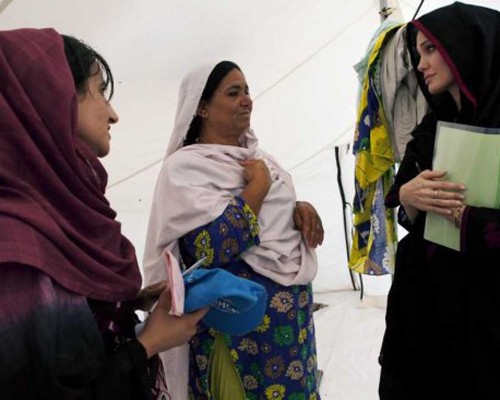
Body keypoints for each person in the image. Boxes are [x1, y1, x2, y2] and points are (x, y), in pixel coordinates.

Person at [0, 28, 206, 399]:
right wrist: (148, 344)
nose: (113, 115)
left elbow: (67, 331)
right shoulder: (16, 248)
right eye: (98, 91)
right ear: (52, 98)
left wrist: (124, 304)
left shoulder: (60, 208)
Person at [143, 61, 324, 400]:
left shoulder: (262, 161)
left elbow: (273, 219)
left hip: (291, 327)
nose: (247, 100)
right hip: (237, 337)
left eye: (247, 91)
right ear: (202, 107)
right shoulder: (186, 169)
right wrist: (256, 189)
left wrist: (300, 209)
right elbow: (208, 249)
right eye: (233, 92)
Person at [378, 2, 500, 399]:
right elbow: (406, 205)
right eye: (418, 52)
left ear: (467, 46)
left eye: (431, 49)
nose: (421, 64)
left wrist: (464, 215)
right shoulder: (433, 126)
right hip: (428, 309)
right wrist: (409, 195)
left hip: (487, 317)